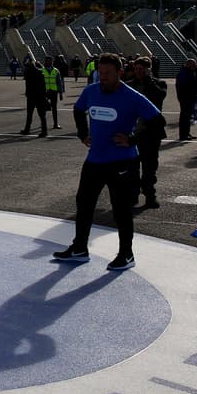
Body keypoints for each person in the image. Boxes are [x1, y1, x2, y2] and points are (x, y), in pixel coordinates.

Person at [52, 53, 163, 272]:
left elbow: (158, 122)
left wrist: (132, 139)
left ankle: (126, 254)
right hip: (95, 160)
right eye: (100, 73)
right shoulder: (91, 91)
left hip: (123, 162)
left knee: (121, 210)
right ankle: (80, 249)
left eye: (107, 74)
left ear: (119, 73)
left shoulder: (132, 96)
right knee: (84, 205)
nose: (102, 77)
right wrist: (83, 133)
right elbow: (77, 109)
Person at [125, 56, 168, 209]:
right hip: (133, 132)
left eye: (142, 69)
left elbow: (160, 96)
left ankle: (150, 195)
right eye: (136, 68)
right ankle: (133, 195)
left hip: (151, 132)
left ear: (149, 69)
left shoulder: (158, 84)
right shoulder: (129, 85)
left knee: (150, 167)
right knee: (132, 167)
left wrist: (149, 80)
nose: (138, 71)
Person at [20, 60, 48, 137]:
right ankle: (44, 130)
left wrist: (27, 93)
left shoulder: (28, 73)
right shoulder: (40, 72)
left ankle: (27, 129)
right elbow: (43, 86)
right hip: (40, 96)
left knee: (29, 114)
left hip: (31, 96)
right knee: (42, 115)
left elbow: (28, 85)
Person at [175, 58, 197, 141]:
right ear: (188, 64)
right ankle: (183, 135)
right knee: (184, 116)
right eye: (193, 65)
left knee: (188, 116)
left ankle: (187, 133)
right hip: (185, 98)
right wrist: (182, 97)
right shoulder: (183, 73)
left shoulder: (190, 72)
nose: (194, 66)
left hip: (190, 97)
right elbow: (180, 86)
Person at [42, 55, 64, 130]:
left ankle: (55, 124)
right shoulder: (41, 70)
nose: (48, 62)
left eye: (50, 61)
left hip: (54, 92)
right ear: (45, 61)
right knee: (43, 108)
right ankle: (43, 124)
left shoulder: (56, 70)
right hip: (45, 92)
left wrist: (60, 93)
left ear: (52, 62)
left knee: (54, 108)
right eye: (47, 61)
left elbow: (59, 82)